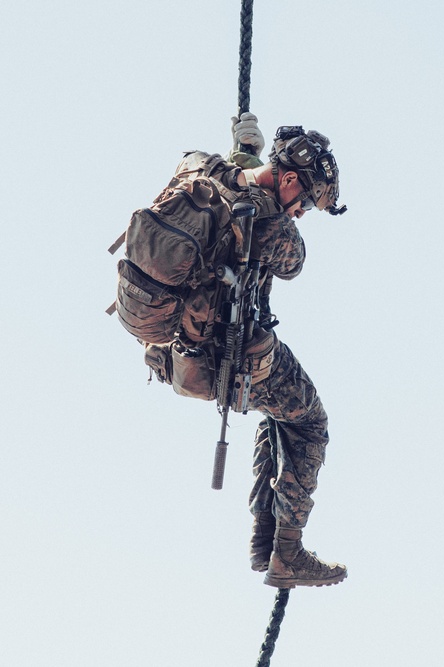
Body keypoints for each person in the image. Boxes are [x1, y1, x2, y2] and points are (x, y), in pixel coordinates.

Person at [130, 115, 348, 588]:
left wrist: (243, 158)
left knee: (281, 414)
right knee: (310, 423)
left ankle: (262, 540)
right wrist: (274, 206)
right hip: (225, 359)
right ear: (288, 178)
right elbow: (293, 263)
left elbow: (232, 185)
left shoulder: (205, 171)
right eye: (305, 201)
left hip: (170, 349)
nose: (302, 212)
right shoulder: (276, 228)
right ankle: (286, 552)